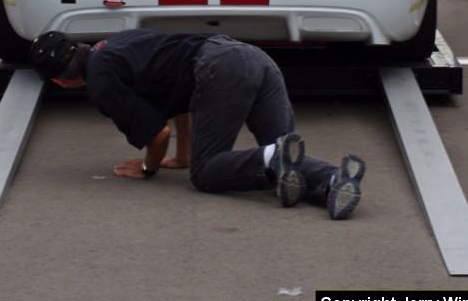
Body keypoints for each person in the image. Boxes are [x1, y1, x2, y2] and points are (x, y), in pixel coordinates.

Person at [31, 29, 366, 219]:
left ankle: (274, 158)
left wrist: (149, 169)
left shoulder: (101, 81)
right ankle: (336, 179)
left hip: (221, 69)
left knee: (206, 174)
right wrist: (182, 155)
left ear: (59, 82)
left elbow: (157, 132)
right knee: (287, 169)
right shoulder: (114, 46)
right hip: (250, 54)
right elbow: (179, 98)